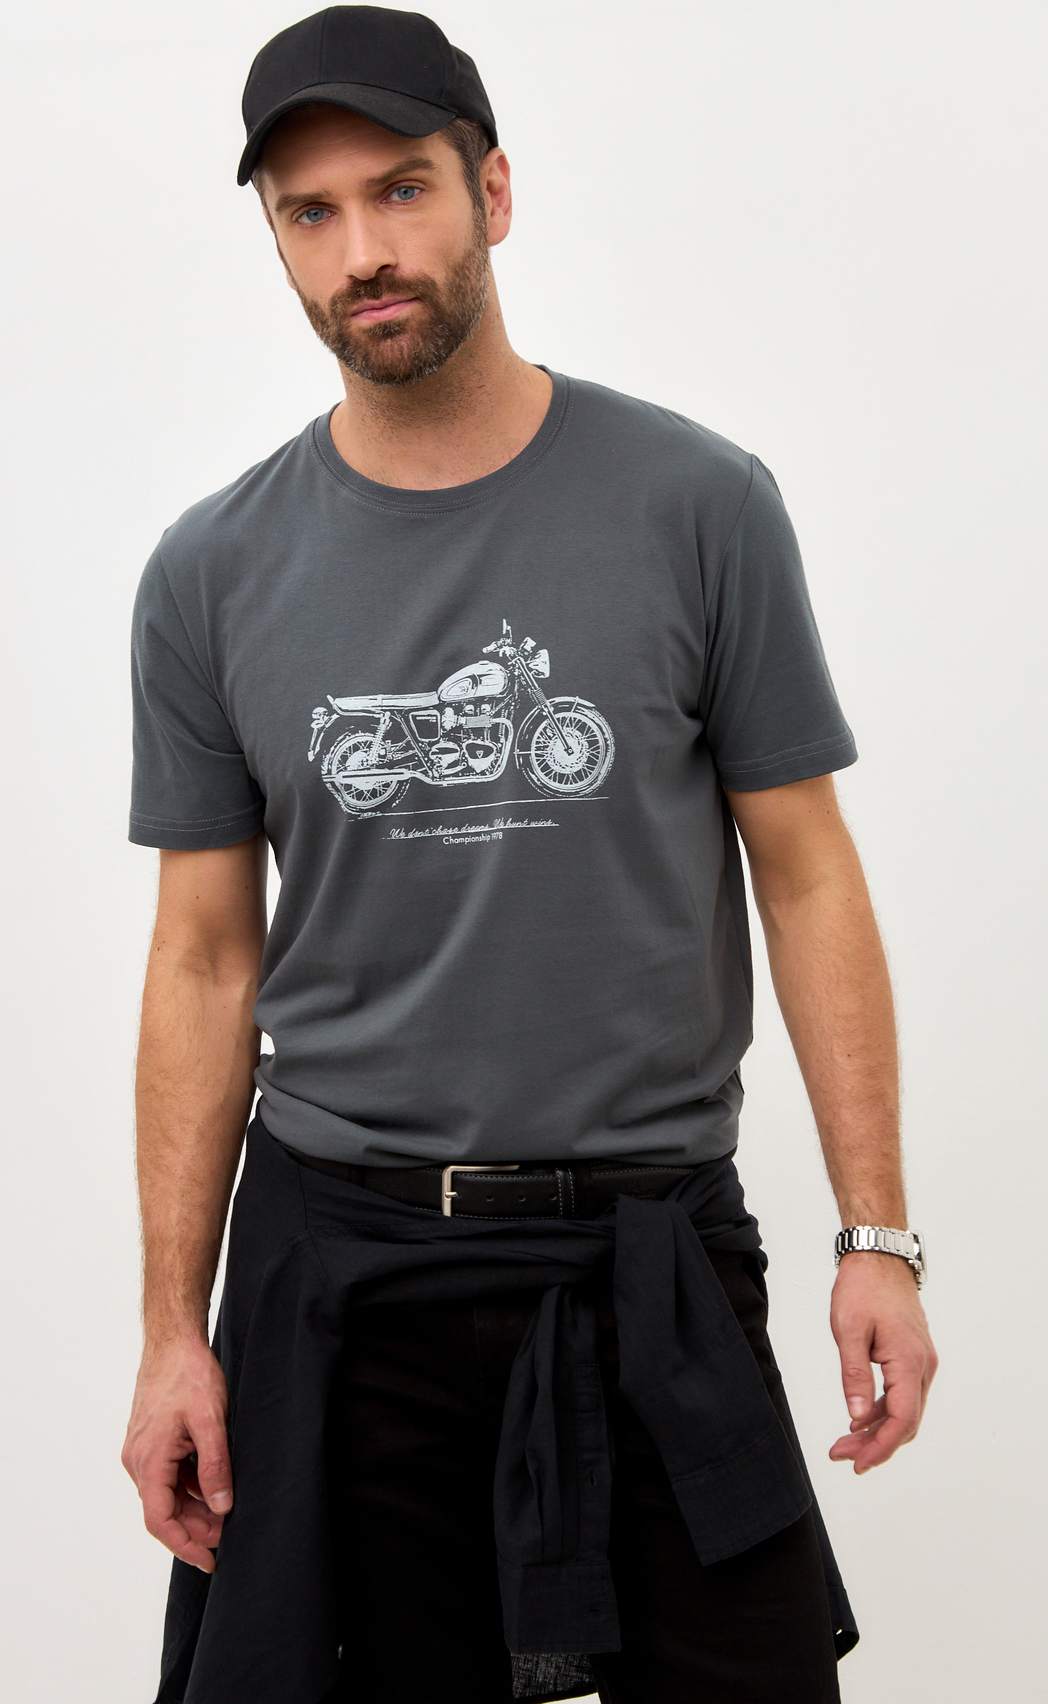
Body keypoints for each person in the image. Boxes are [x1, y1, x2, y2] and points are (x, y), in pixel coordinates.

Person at [120, 7, 939, 1702]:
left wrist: (880, 1232)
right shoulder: (208, 575)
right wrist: (170, 1330)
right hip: (344, 1275)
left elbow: (807, 874)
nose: (364, 249)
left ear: (491, 192)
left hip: (654, 1254)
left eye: (401, 189)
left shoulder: (699, 504)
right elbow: (202, 957)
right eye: (311, 211)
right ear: (276, 239)